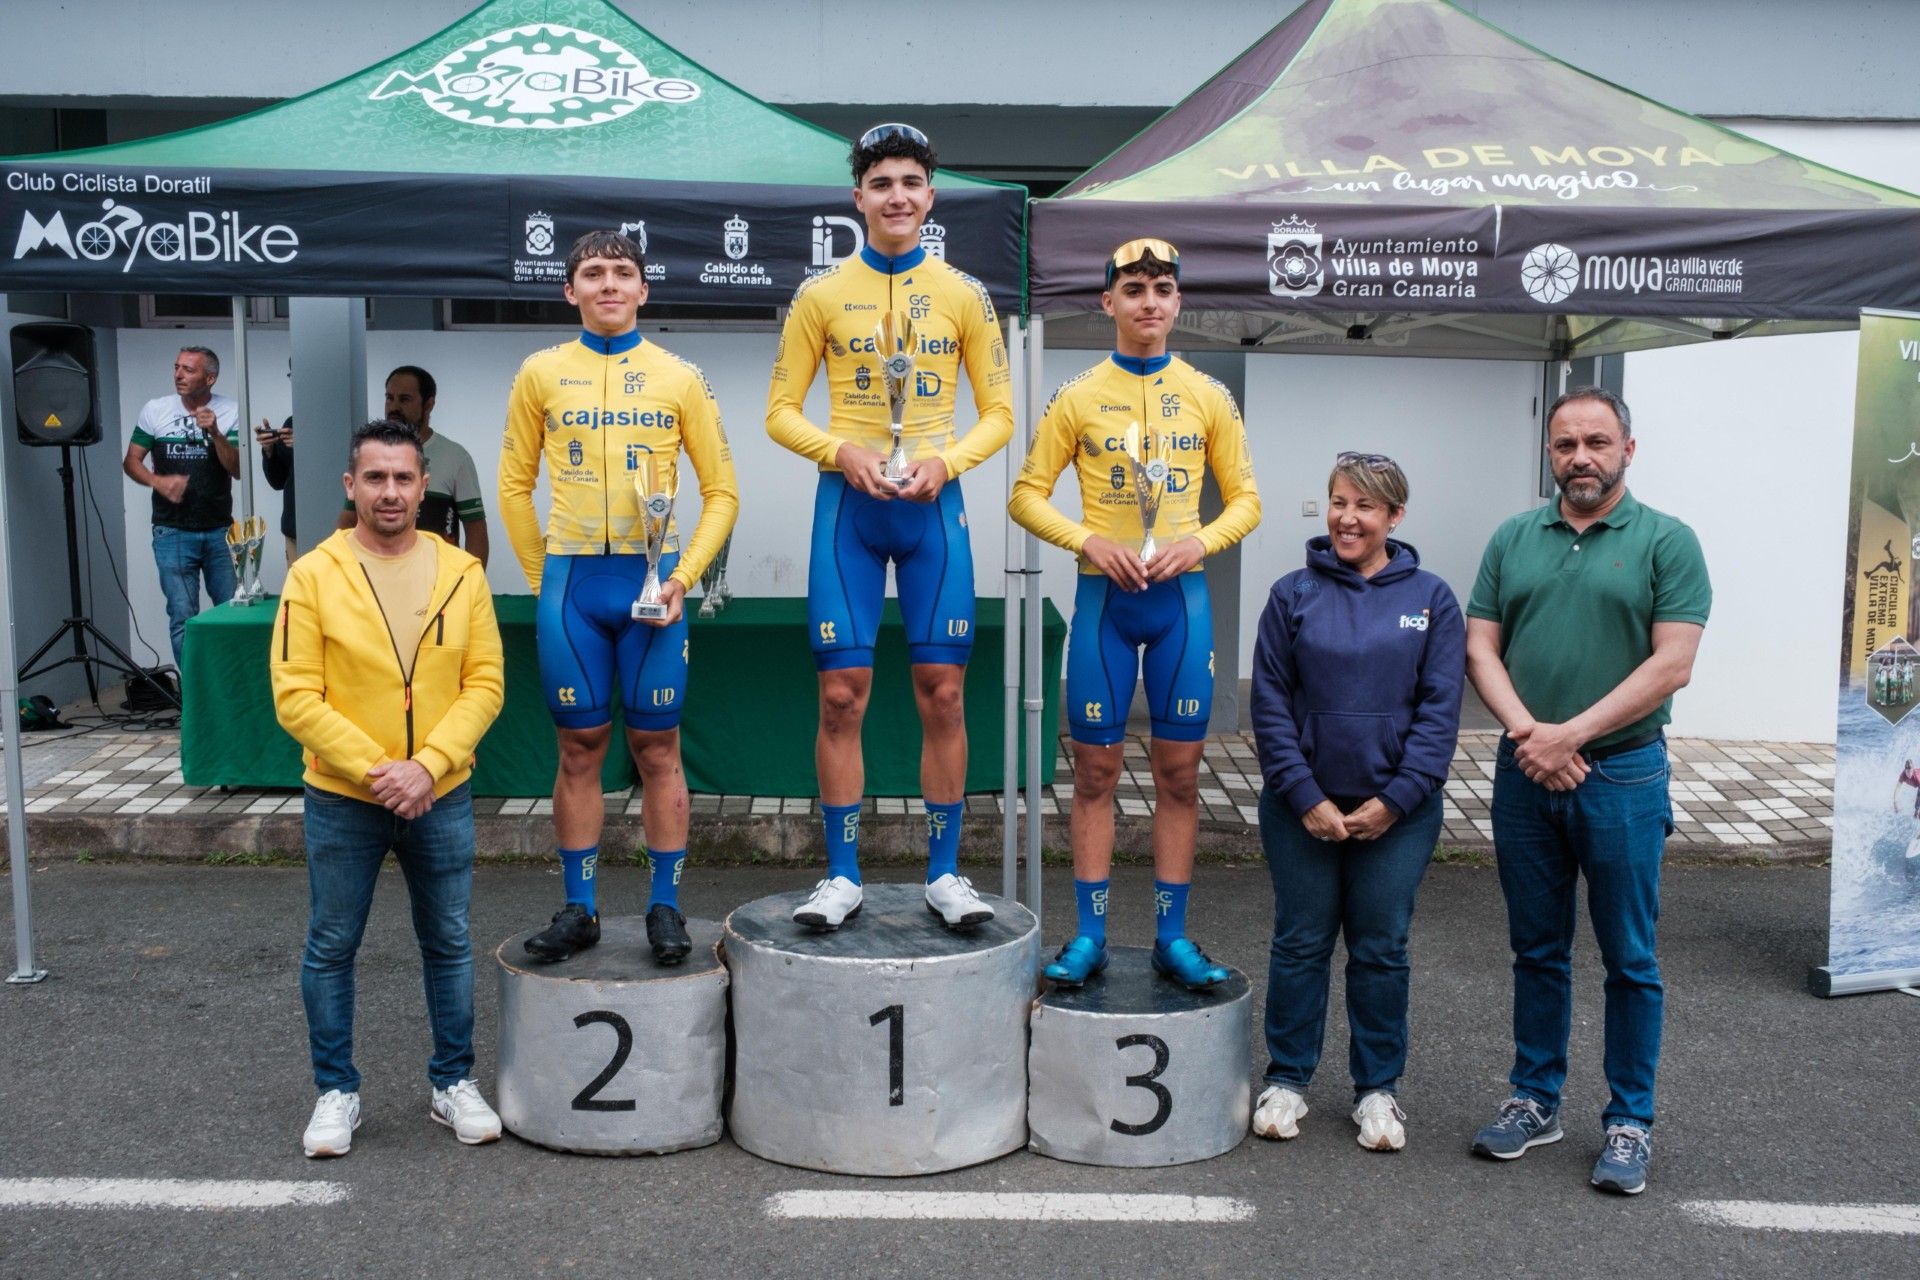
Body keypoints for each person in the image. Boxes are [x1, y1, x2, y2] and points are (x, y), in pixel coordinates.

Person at [765, 122, 1014, 931]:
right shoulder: (820, 295)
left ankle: (946, 874)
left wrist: (949, 461)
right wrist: (840, 451)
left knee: (943, 694)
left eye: (910, 181)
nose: (897, 196)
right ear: (859, 199)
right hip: (851, 508)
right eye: (881, 184)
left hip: (932, 508)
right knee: (841, 695)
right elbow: (778, 413)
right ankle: (841, 876)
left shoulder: (965, 294)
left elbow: (1002, 414)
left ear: (930, 197)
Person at [1464, 386, 1710, 1196]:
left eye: (1597, 443)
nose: (1581, 458)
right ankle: (1536, 1099)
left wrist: (1569, 735)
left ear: (1627, 451)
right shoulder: (1513, 538)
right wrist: (1533, 735)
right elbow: (1480, 648)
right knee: (1537, 949)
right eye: (1566, 444)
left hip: (1623, 775)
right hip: (1525, 773)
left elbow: (1671, 663)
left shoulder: (1667, 543)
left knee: (1630, 958)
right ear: (1550, 453)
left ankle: (1630, 1121)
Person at [1007, 237, 1260, 989]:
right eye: (1134, 288)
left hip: (1179, 600)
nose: (1149, 301)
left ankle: (1170, 936)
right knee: (1093, 771)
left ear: (1179, 303)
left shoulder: (1209, 393)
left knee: (1180, 774)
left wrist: (1201, 542)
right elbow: (1025, 493)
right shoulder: (1077, 394)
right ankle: (1087, 934)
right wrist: (1087, 539)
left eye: (1162, 289)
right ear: (1107, 301)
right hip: (1103, 598)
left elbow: (1247, 499)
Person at [500, 228, 739, 965]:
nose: (609, 283)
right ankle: (580, 909)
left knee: (657, 746)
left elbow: (722, 491)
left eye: (623, 272)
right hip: (572, 581)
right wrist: (546, 585)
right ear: (569, 290)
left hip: (651, 581)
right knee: (579, 748)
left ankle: (665, 905)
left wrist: (681, 578)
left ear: (644, 289)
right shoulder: (540, 372)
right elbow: (512, 485)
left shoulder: (679, 376)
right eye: (593, 273)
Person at [272, 419, 506, 1159]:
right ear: (351, 486)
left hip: (439, 793)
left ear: (424, 484)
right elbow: (295, 694)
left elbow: (486, 684)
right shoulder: (313, 574)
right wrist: (382, 770)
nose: (391, 492)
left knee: (448, 941)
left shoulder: (460, 573)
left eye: (404, 478)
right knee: (332, 944)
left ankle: (453, 1083)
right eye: (375, 478)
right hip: (346, 798)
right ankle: (336, 1092)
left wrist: (428, 766)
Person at [1248, 452, 1463, 1151]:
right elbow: (1270, 704)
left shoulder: (1431, 599)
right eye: (1339, 501)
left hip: (1396, 817)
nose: (1348, 517)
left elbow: (1439, 713)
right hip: (1300, 809)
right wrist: (1304, 795)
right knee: (1301, 941)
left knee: (1380, 949)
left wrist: (1396, 801)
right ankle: (1287, 1081)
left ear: (1394, 517)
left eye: (1365, 506)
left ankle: (1377, 1092)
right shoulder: (1291, 595)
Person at [123, 346, 241, 667]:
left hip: (219, 530)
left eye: (188, 370)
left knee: (230, 613)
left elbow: (238, 469)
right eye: (177, 367)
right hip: (172, 531)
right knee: (182, 617)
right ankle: (194, 698)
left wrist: (215, 432)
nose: (178, 375)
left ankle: (224, 690)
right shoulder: (156, 409)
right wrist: (156, 481)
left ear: (210, 378)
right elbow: (131, 461)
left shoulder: (230, 410)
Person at [340, 366, 490, 568]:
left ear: (429, 404)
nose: (394, 407)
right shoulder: (370, 454)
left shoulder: (455, 457)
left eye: (404, 399)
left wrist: (472, 581)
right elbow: (348, 519)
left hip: (438, 578)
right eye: (389, 398)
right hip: (376, 573)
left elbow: (476, 529)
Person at [257, 416, 295, 564]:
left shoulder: (342, 416)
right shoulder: (293, 422)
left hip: (337, 529)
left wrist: (307, 446)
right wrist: (269, 450)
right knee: (298, 587)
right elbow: (278, 481)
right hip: (295, 532)